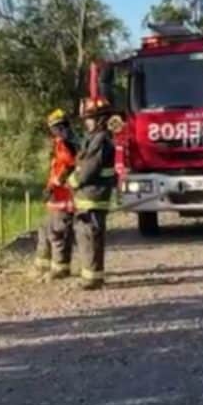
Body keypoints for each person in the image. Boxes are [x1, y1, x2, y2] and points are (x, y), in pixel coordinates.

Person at [68, 97, 116, 290]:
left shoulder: (100, 140)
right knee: (87, 237)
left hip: (93, 197)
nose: (86, 123)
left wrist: (73, 181)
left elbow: (89, 168)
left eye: (89, 119)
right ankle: (91, 276)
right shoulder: (95, 139)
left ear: (100, 120)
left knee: (89, 237)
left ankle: (92, 279)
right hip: (90, 196)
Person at [34, 108, 79, 279]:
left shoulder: (65, 143)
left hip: (63, 195)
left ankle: (60, 268)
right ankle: (44, 266)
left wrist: (53, 186)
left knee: (58, 232)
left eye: (56, 128)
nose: (54, 132)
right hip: (57, 195)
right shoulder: (65, 141)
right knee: (47, 229)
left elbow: (68, 166)